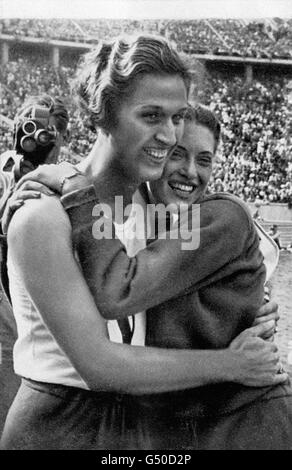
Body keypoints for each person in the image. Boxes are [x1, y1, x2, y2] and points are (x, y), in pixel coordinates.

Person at [0, 36, 286, 450]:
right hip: (61, 424)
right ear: (104, 115)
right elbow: (99, 366)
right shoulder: (42, 216)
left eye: (177, 117)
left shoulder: (149, 203)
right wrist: (233, 364)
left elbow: (195, 279)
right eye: (151, 115)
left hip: (140, 422)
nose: (168, 135)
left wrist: (252, 309)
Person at [0, 94, 69, 436]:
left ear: (62, 139)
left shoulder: (70, 181)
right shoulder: (2, 172)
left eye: (49, 133)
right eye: (31, 129)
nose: (38, 139)